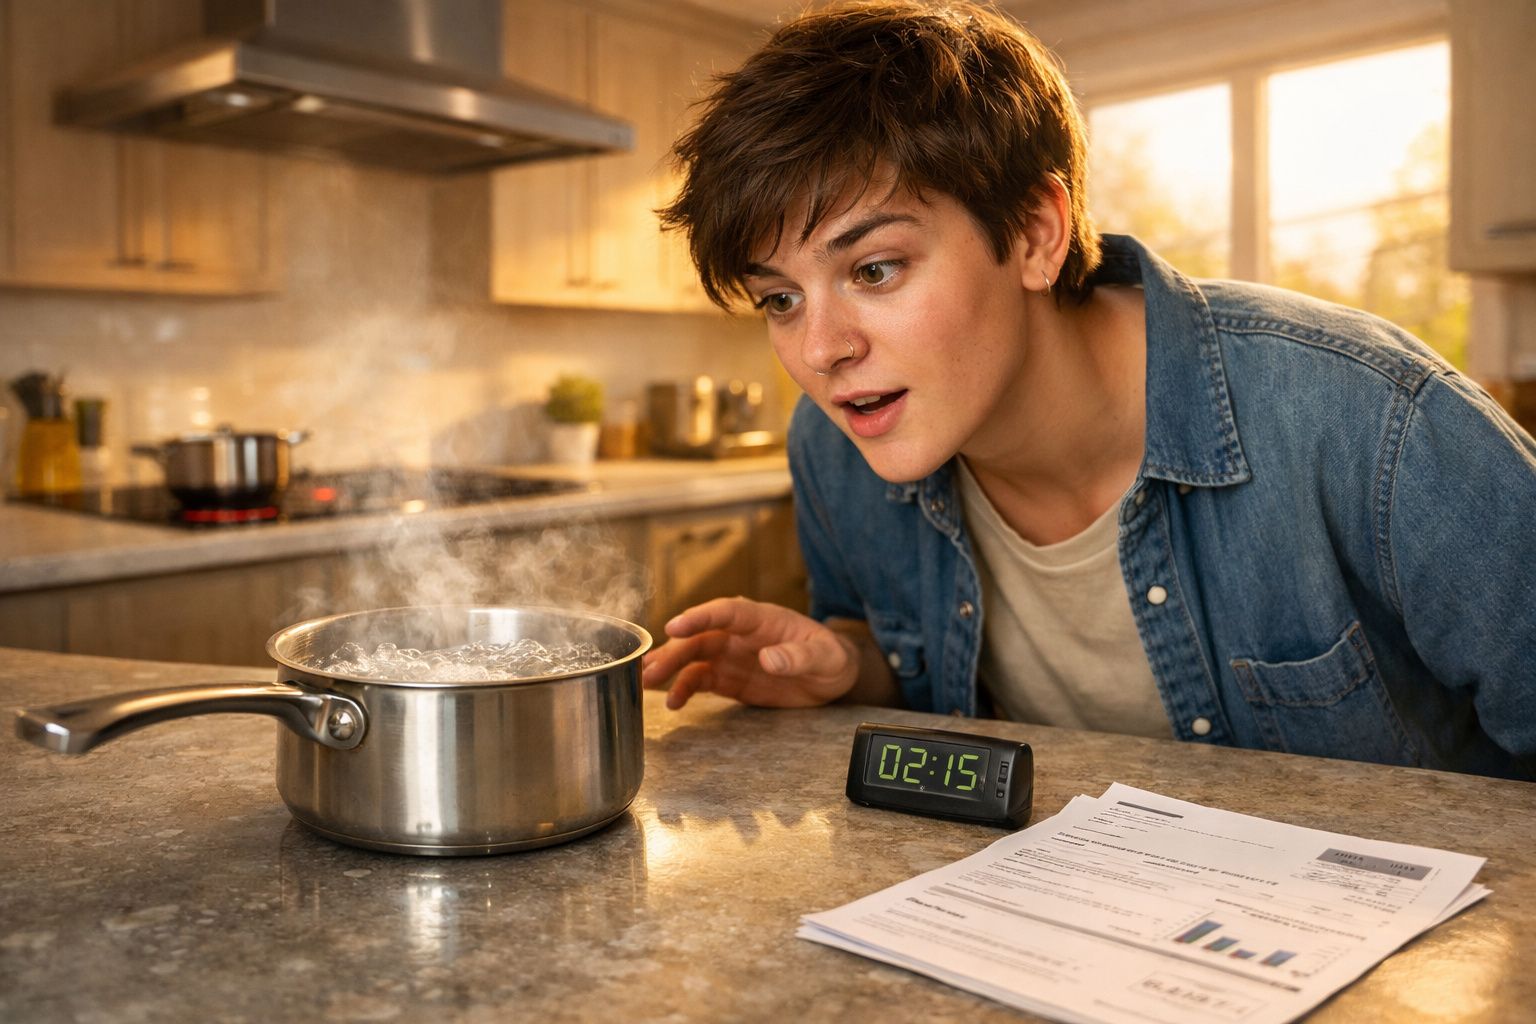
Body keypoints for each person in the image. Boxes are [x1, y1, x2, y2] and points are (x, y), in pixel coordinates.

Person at [639, 0, 1536, 780]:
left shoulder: (1371, 420)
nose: (820, 350)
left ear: (1037, 234)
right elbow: (902, 657)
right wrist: (849, 666)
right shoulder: (835, 446)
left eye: (874, 269)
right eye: (780, 299)